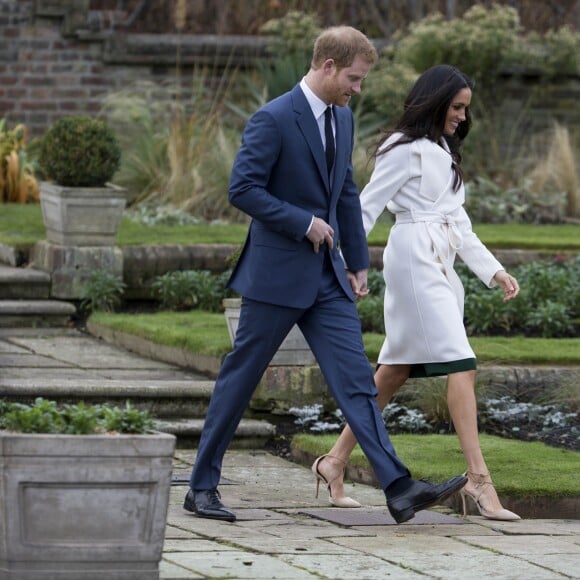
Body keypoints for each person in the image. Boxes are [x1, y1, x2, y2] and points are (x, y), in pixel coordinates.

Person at [183, 28, 467, 525]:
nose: (358, 88)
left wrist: (357, 260)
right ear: (329, 65)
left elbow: (348, 194)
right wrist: (302, 221)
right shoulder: (272, 118)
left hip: (327, 277)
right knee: (240, 379)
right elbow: (242, 188)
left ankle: (398, 488)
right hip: (275, 276)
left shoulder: (344, 118)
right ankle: (201, 487)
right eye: (354, 78)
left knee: (357, 381)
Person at [312, 64, 521, 521]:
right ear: (436, 101)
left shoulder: (444, 149)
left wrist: (494, 271)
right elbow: (363, 208)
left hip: (439, 262)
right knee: (461, 363)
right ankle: (479, 480)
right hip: (413, 262)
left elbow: (459, 224)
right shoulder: (401, 150)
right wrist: (351, 264)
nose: (463, 117)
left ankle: (334, 461)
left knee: (393, 371)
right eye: (457, 107)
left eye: (467, 109)